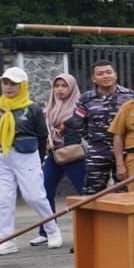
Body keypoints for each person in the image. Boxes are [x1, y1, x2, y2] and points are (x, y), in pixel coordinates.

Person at [0, 67, 54, 255]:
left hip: (26, 155)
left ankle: (52, 230)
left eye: (14, 84)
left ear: (23, 86)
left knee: (34, 196)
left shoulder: (33, 108)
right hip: (0, 155)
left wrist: (41, 158)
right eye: (6, 83)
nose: (9, 87)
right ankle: (7, 240)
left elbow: (43, 136)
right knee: (3, 200)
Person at [40, 74, 87, 236]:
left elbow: (79, 125)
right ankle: (47, 232)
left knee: (85, 192)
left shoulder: (79, 106)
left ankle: (90, 230)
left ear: (72, 87)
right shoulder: (49, 107)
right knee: (44, 192)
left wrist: (65, 126)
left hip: (72, 154)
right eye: (57, 85)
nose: (60, 89)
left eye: (64, 86)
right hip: (53, 153)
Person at [78, 61, 134, 194]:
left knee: (125, 191)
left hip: (125, 151)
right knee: (92, 193)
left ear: (116, 75)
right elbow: (79, 124)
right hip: (98, 152)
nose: (105, 76)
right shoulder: (85, 99)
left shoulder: (130, 96)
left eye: (109, 72)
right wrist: (93, 140)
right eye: (100, 74)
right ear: (93, 78)